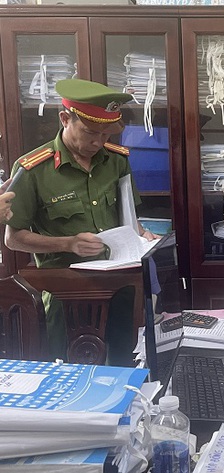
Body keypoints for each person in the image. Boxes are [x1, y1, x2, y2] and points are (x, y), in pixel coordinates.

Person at [5, 78, 157, 365]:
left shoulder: (116, 161)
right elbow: (13, 239)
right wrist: (69, 243)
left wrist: (143, 235)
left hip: (120, 287)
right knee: (67, 371)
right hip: (66, 292)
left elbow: (129, 218)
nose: (98, 142)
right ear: (65, 119)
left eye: (106, 134)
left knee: (123, 366)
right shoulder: (33, 169)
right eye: (90, 132)